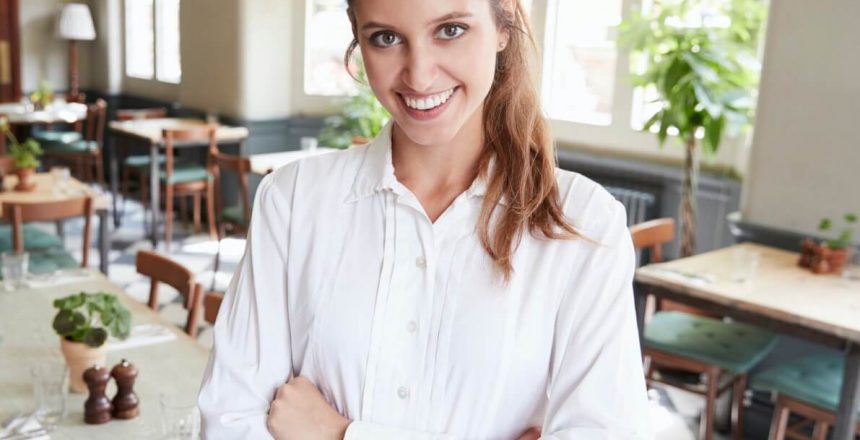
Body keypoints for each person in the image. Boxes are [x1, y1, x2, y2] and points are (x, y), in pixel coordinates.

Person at [198, 0, 651, 438]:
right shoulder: (293, 201)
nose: (418, 74)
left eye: (450, 30)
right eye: (386, 38)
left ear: (504, 23)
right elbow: (231, 418)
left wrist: (340, 435)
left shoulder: (586, 226)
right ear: (357, 37)